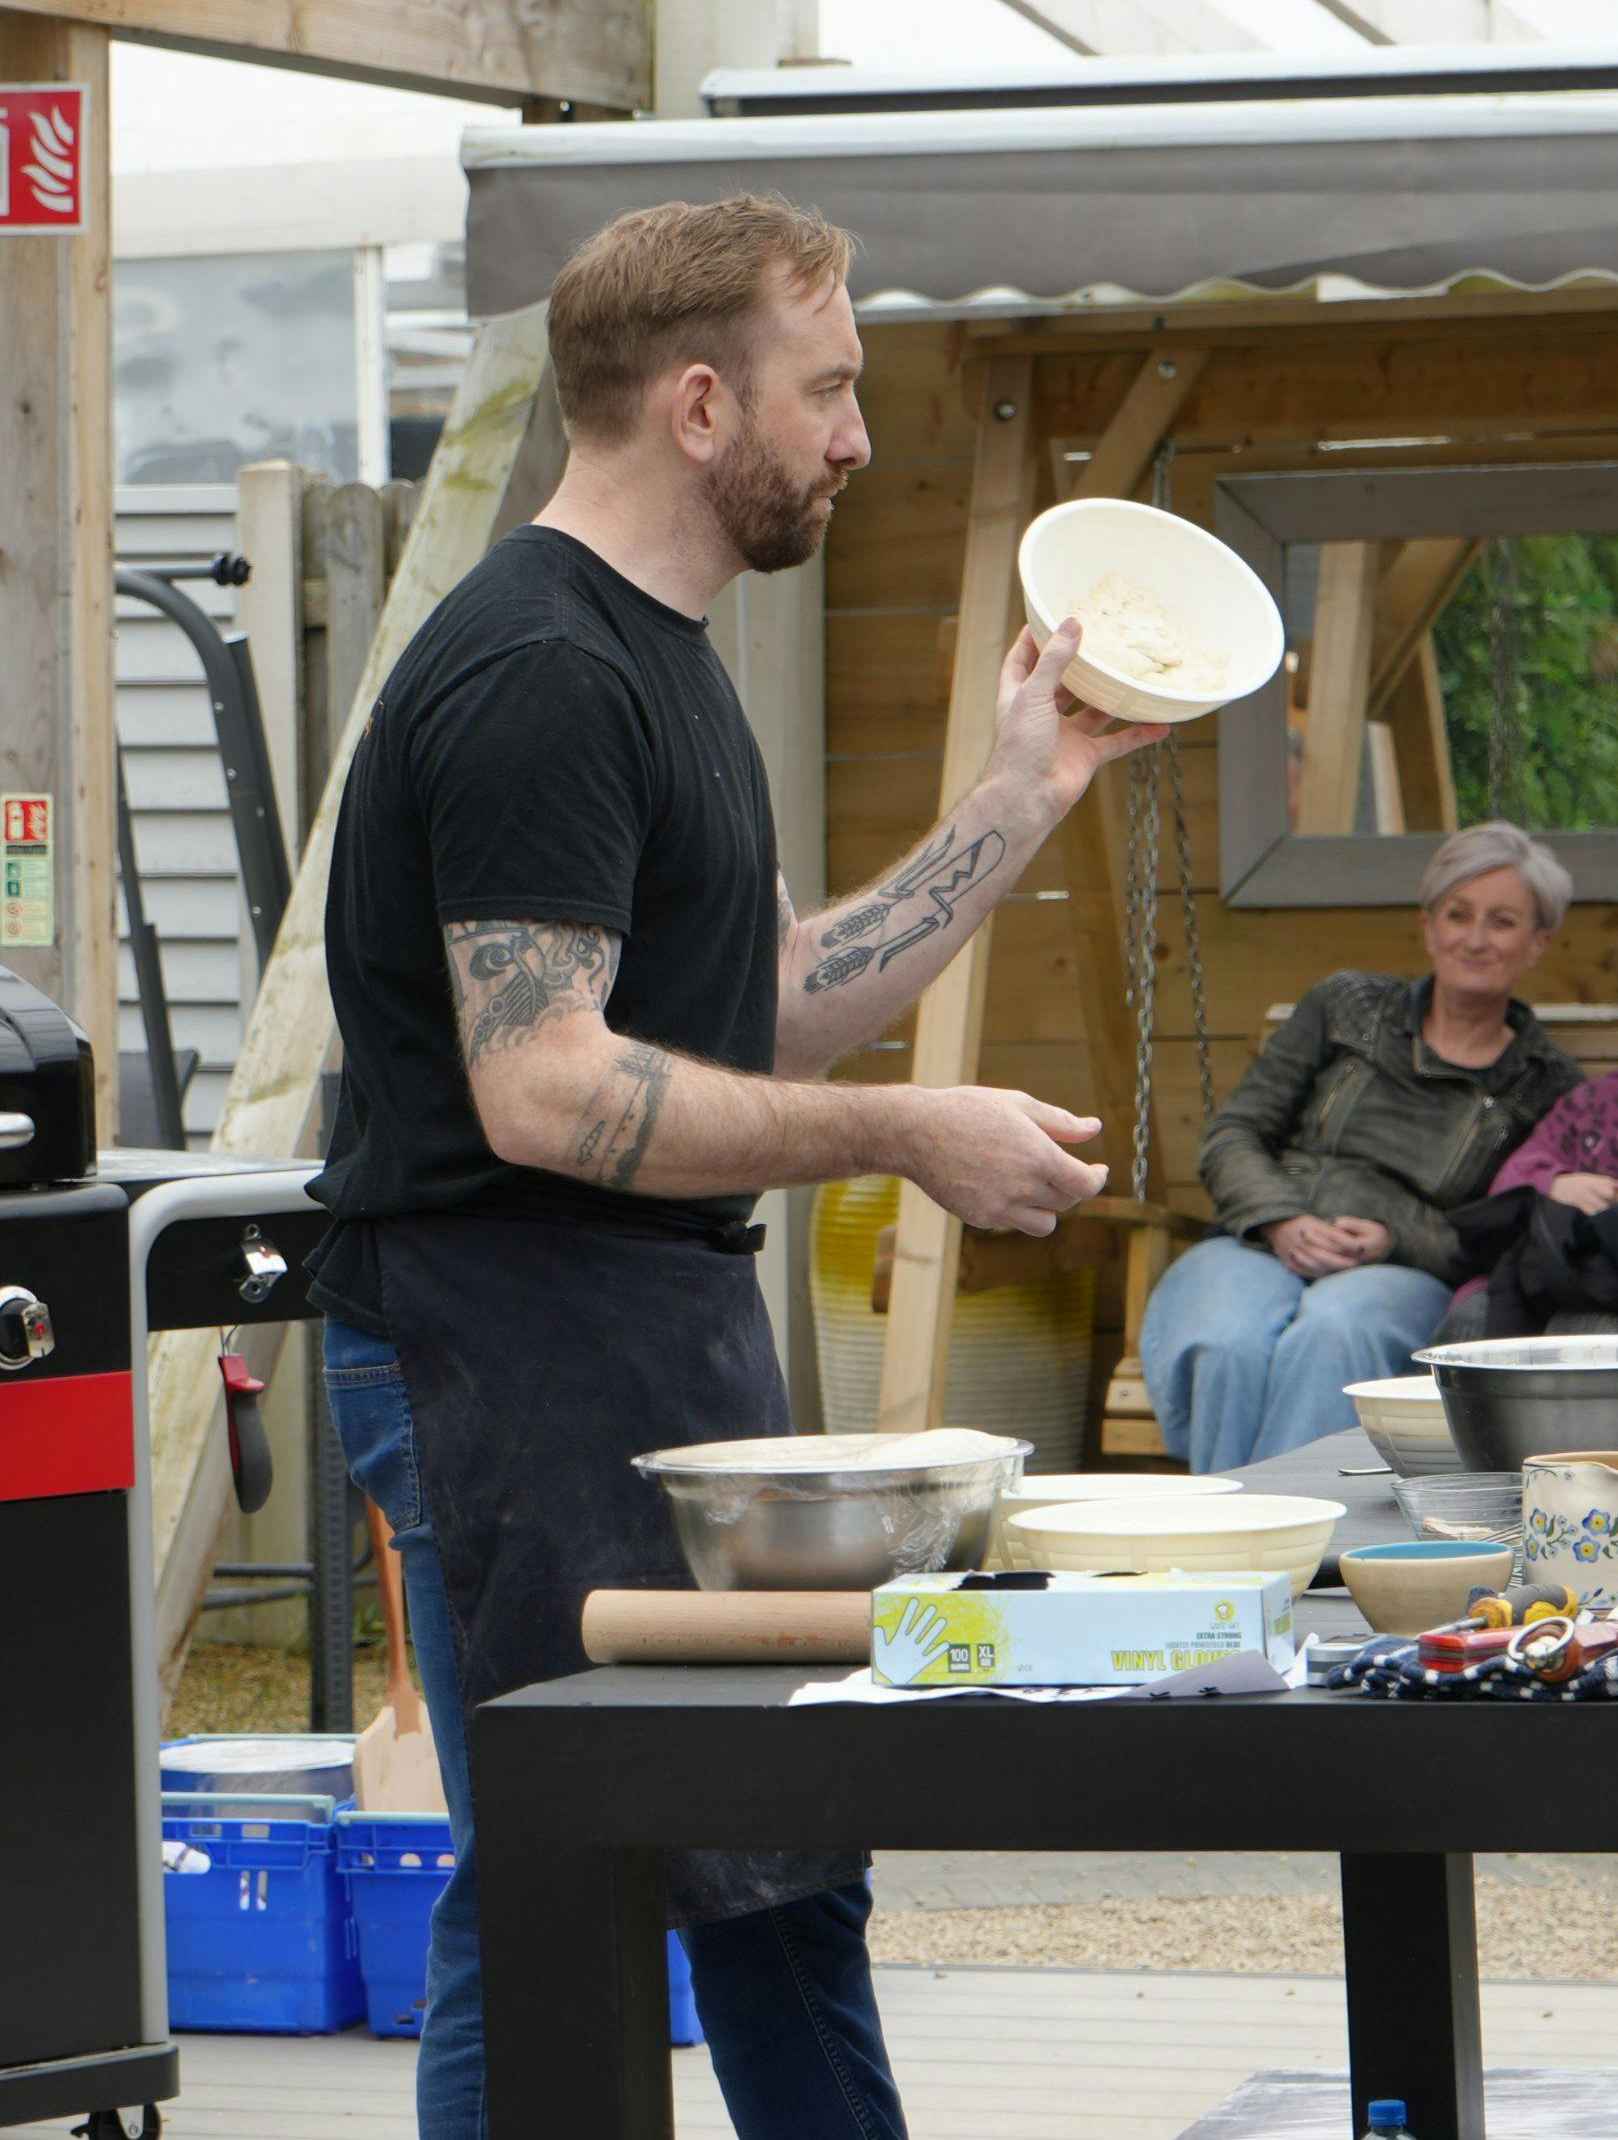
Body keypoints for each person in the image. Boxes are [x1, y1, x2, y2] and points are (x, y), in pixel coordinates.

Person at [308, 194, 1162, 2140]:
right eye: (830, 385)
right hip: (494, 1345)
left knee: (780, 1856)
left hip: (651, 1334)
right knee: (558, 1875)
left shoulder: (663, 657)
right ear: (699, 402)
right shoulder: (537, 671)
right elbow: (543, 1086)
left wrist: (1020, 792)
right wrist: (903, 1134)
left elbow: (756, 1005)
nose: (857, 431)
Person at [1141, 823, 1585, 1473]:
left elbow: (1507, 1231)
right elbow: (1233, 1134)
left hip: (1398, 1272)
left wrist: (1390, 1236)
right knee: (1227, 1337)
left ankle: (1285, 1527)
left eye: (1503, 921)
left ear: (1537, 942)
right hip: (1262, 1238)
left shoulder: (1544, 1082)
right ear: (1429, 925)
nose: (1475, 937)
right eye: (1457, 915)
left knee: (1336, 1332)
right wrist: (1282, 1219)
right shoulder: (1346, 1005)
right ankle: (1233, 1522)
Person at [1433, 924, 1618, 1339]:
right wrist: (1558, 1183)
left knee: (1591, 1332)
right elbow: (1507, 1189)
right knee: (1469, 1321)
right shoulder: (1592, 1102)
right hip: (1543, 1276)